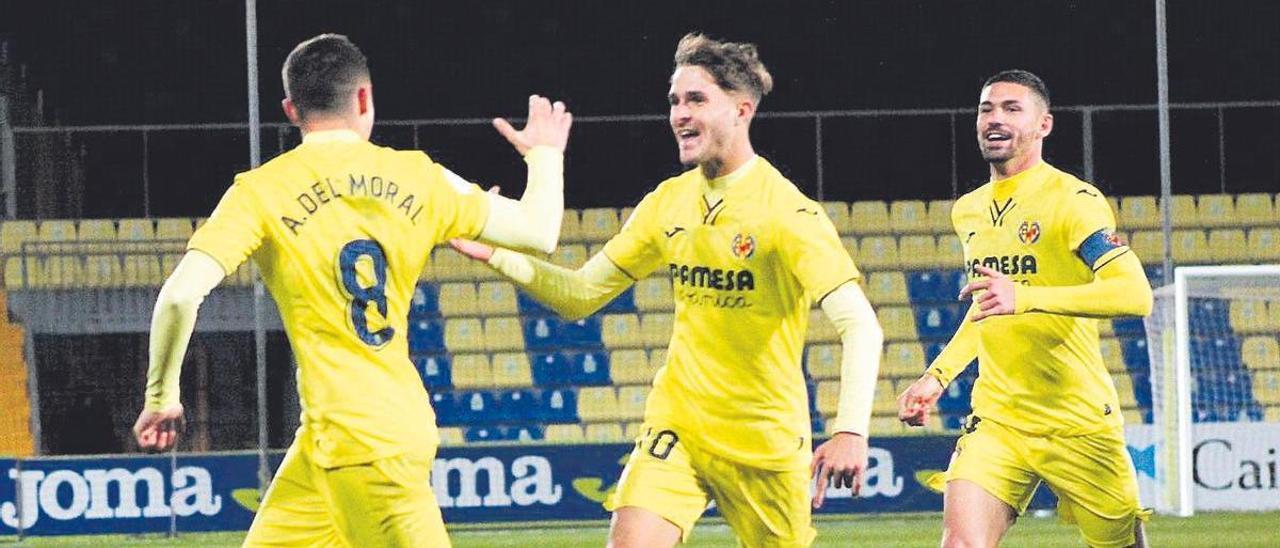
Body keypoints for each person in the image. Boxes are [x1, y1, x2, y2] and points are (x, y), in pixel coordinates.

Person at [130, 33, 572, 547]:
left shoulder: (259, 191)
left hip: (365, 447)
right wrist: (544, 156)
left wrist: (162, 397)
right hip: (334, 440)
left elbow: (181, 296)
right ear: (364, 98)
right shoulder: (419, 176)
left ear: (291, 109)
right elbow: (541, 230)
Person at [449, 33, 883, 547]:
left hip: (763, 439)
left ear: (742, 110)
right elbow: (582, 294)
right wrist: (499, 255)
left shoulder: (789, 214)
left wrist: (851, 429)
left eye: (696, 99)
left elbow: (861, 325)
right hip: (678, 424)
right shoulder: (667, 203)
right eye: (674, 100)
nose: (679, 113)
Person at [897, 70, 1152, 548]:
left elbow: (1135, 295)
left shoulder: (1075, 201)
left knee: (1118, 542)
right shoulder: (968, 210)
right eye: (986, 108)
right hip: (998, 419)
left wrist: (1027, 296)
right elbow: (988, 308)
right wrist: (937, 376)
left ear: (1044, 125)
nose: (994, 119)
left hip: (1076, 421)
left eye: (1012, 109)